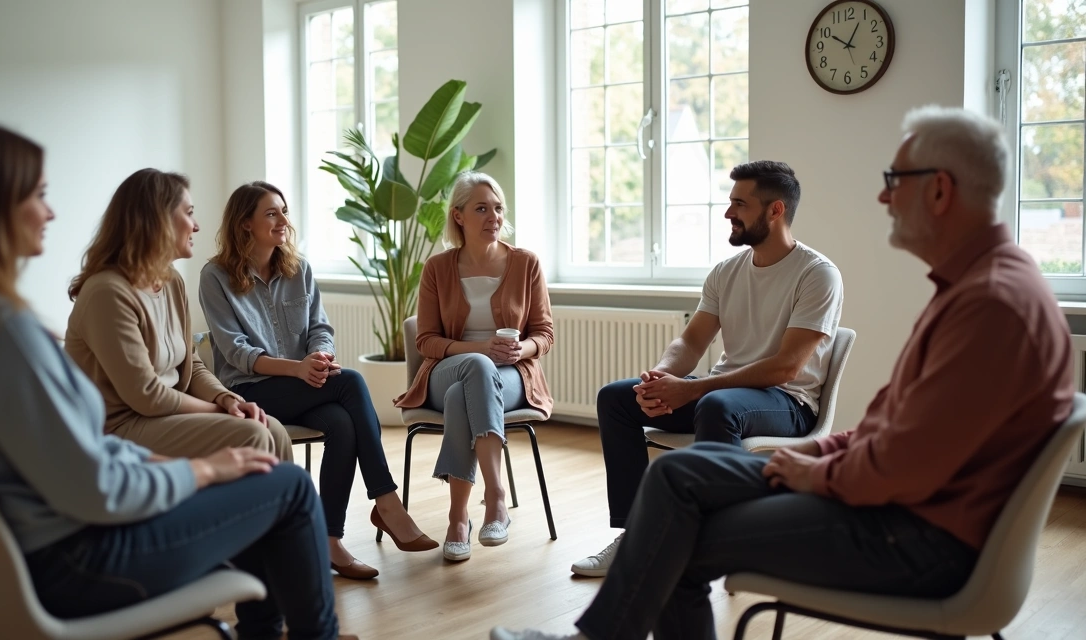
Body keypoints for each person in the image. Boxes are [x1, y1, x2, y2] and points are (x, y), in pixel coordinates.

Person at [492, 106, 1076, 640]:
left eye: (895, 181)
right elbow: (896, 433)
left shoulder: (992, 304)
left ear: (942, 190)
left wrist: (813, 473)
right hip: (892, 502)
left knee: (680, 531)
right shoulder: (976, 289)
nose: (882, 198)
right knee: (681, 475)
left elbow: (905, 467)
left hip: (915, 537)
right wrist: (814, 458)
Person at [0, 120, 352, 640]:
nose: (51, 212)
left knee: (261, 466)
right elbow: (96, 486)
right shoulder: (6, 334)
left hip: (14, 564)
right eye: (39, 195)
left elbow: (66, 457)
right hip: (76, 563)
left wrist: (179, 452)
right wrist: (203, 474)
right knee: (291, 487)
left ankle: (269, 626)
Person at [572, 160, 844, 578]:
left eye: (740, 203)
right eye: (729, 201)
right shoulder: (726, 271)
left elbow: (786, 368)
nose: (728, 212)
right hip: (723, 393)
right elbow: (691, 341)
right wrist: (661, 377)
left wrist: (693, 389)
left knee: (717, 405)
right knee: (616, 399)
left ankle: (717, 538)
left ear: (775, 211)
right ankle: (637, 534)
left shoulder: (817, 274)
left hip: (788, 403)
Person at [199, 180, 438, 580]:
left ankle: (330, 542)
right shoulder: (215, 276)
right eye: (271, 213)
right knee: (352, 382)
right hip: (250, 390)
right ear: (244, 224)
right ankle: (387, 503)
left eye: (284, 211)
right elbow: (236, 351)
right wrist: (296, 367)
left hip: (304, 381)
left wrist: (319, 355)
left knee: (342, 424)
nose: (283, 221)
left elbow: (319, 327)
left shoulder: (298, 268)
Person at [64, 169, 294, 463]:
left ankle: (285, 509)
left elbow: (192, 364)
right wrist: (221, 410)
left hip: (165, 415)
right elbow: (147, 395)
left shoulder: (171, 281)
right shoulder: (106, 293)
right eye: (189, 213)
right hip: (119, 427)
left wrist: (228, 399)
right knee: (252, 433)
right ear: (157, 221)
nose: (196, 226)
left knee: (272, 429)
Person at [394, 171, 554, 562]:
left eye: (498, 208)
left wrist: (523, 349)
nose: (493, 216)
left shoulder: (526, 263)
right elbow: (426, 340)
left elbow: (545, 333)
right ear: (459, 216)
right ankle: (495, 495)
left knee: (460, 397)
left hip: (513, 375)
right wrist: (481, 347)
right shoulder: (437, 268)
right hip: (447, 367)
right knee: (475, 369)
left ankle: (457, 518)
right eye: (481, 208)